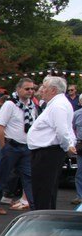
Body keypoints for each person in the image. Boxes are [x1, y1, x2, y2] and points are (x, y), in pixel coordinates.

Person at [27, 76, 76, 210]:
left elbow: (62, 131)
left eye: (44, 87)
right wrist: (69, 144)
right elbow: (67, 128)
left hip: (47, 153)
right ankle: (45, 217)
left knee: (43, 191)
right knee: (46, 190)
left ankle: (43, 219)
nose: (41, 90)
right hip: (47, 152)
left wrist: (67, 146)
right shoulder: (58, 104)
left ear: (53, 90)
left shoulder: (58, 105)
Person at [0, 77, 38, 214]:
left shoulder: (31, 106)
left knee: (29, 178)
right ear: (18, 89)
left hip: (26, 147)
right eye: (27, 88)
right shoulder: (10, 104)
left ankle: (34, 207)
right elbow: (0, 126)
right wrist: (3, 147)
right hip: (11, 146)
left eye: (32, 89)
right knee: (3, 176)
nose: (30, 91)